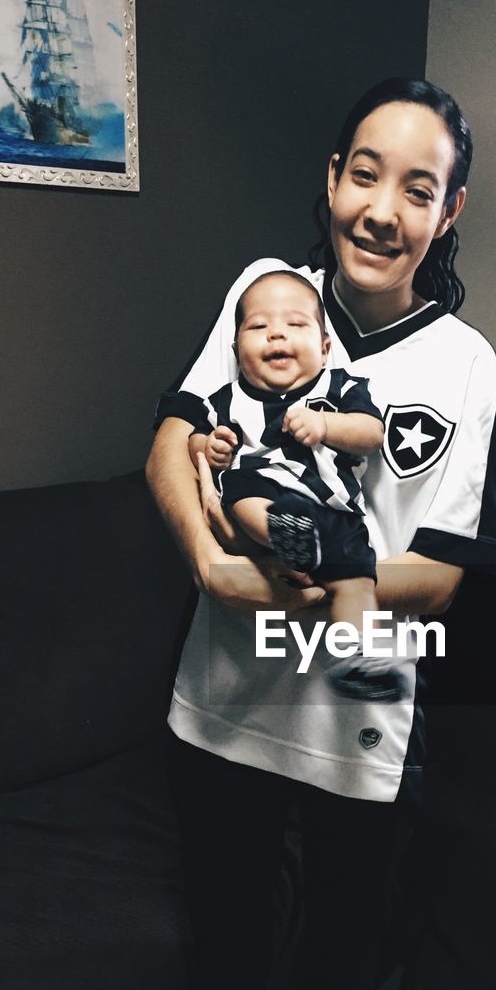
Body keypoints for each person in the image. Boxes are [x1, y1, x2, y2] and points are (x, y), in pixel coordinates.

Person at [147, 77, 496, 990]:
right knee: (229, 946)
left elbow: (444, 573)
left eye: (418, 187)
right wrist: (208, 556)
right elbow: (172, 434)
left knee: (350, 950)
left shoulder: (466, 364)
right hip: (228, 710)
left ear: (449, 212)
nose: (383, 207)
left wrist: (294, 587)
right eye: (366, 172)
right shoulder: (269, 297)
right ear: (332, 177)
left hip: (362, 717)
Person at [190, 267, 405, 701]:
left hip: (334, 515)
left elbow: (372, 433)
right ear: (237, 349)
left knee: (358, 584)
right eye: (259, 326)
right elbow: (195, 438)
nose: (276, 335)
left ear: (325, 349)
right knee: (244, 492)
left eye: (295, 324)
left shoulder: (340, 387)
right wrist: (211, 446)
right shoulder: (229, 398)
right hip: (266, 494)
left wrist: (325, 424)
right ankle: (283, 532)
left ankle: (363, 657)